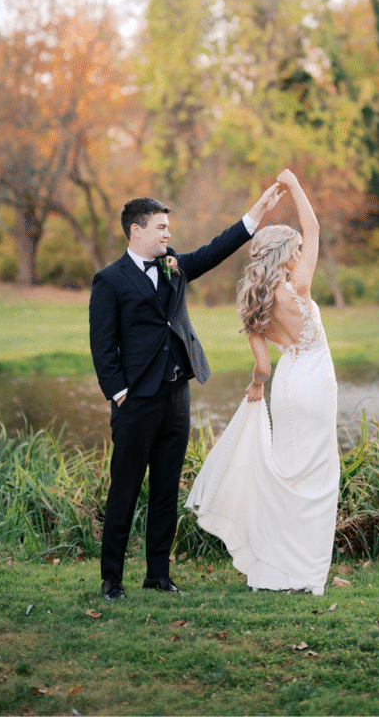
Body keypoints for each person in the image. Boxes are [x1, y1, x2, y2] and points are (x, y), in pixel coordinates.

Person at [90, 184, 284, 601]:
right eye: (160, 227)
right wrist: (119, 393)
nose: (167, 234)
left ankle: (158, 575)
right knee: (123, 491)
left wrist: (255, 215)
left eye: (168, 227)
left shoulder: (174, 266)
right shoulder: (109, 280)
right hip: (135, 401)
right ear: (135, 231)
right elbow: (102, 346)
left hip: (177, 396)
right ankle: (112, 581)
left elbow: (216, 250)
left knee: (166, 489)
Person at [186, 170, 340, 595]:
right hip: (315, 382)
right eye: (296, 246)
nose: (301, 248)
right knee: (317, 478)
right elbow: (314, 225)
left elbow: (264, 369)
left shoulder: (253, 300)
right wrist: (293, 185)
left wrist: (256, 389)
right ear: (285, 252)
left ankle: (276, 567)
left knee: (286, 471)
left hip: (287, 385)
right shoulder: (300, 288)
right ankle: (306, 573)